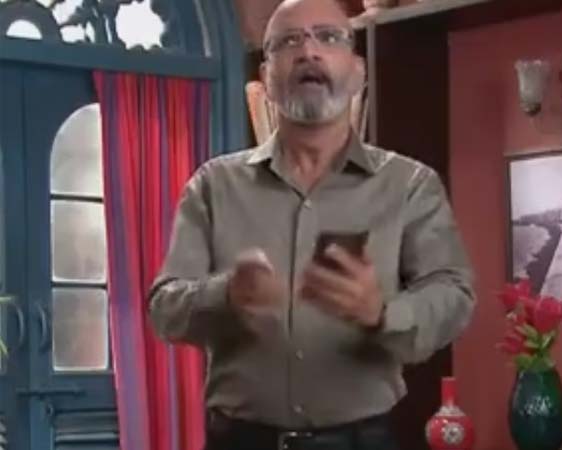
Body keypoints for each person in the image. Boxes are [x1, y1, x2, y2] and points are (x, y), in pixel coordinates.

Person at [149, 0, 475, 449]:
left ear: (358, 72)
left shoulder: (409, 185)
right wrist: (226, 295)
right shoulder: (214, 186)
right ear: (266, 77)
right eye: (288, 41)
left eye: (328, 37)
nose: (308, 51)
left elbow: (455, 295)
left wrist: (382, 313)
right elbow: (164, 308)